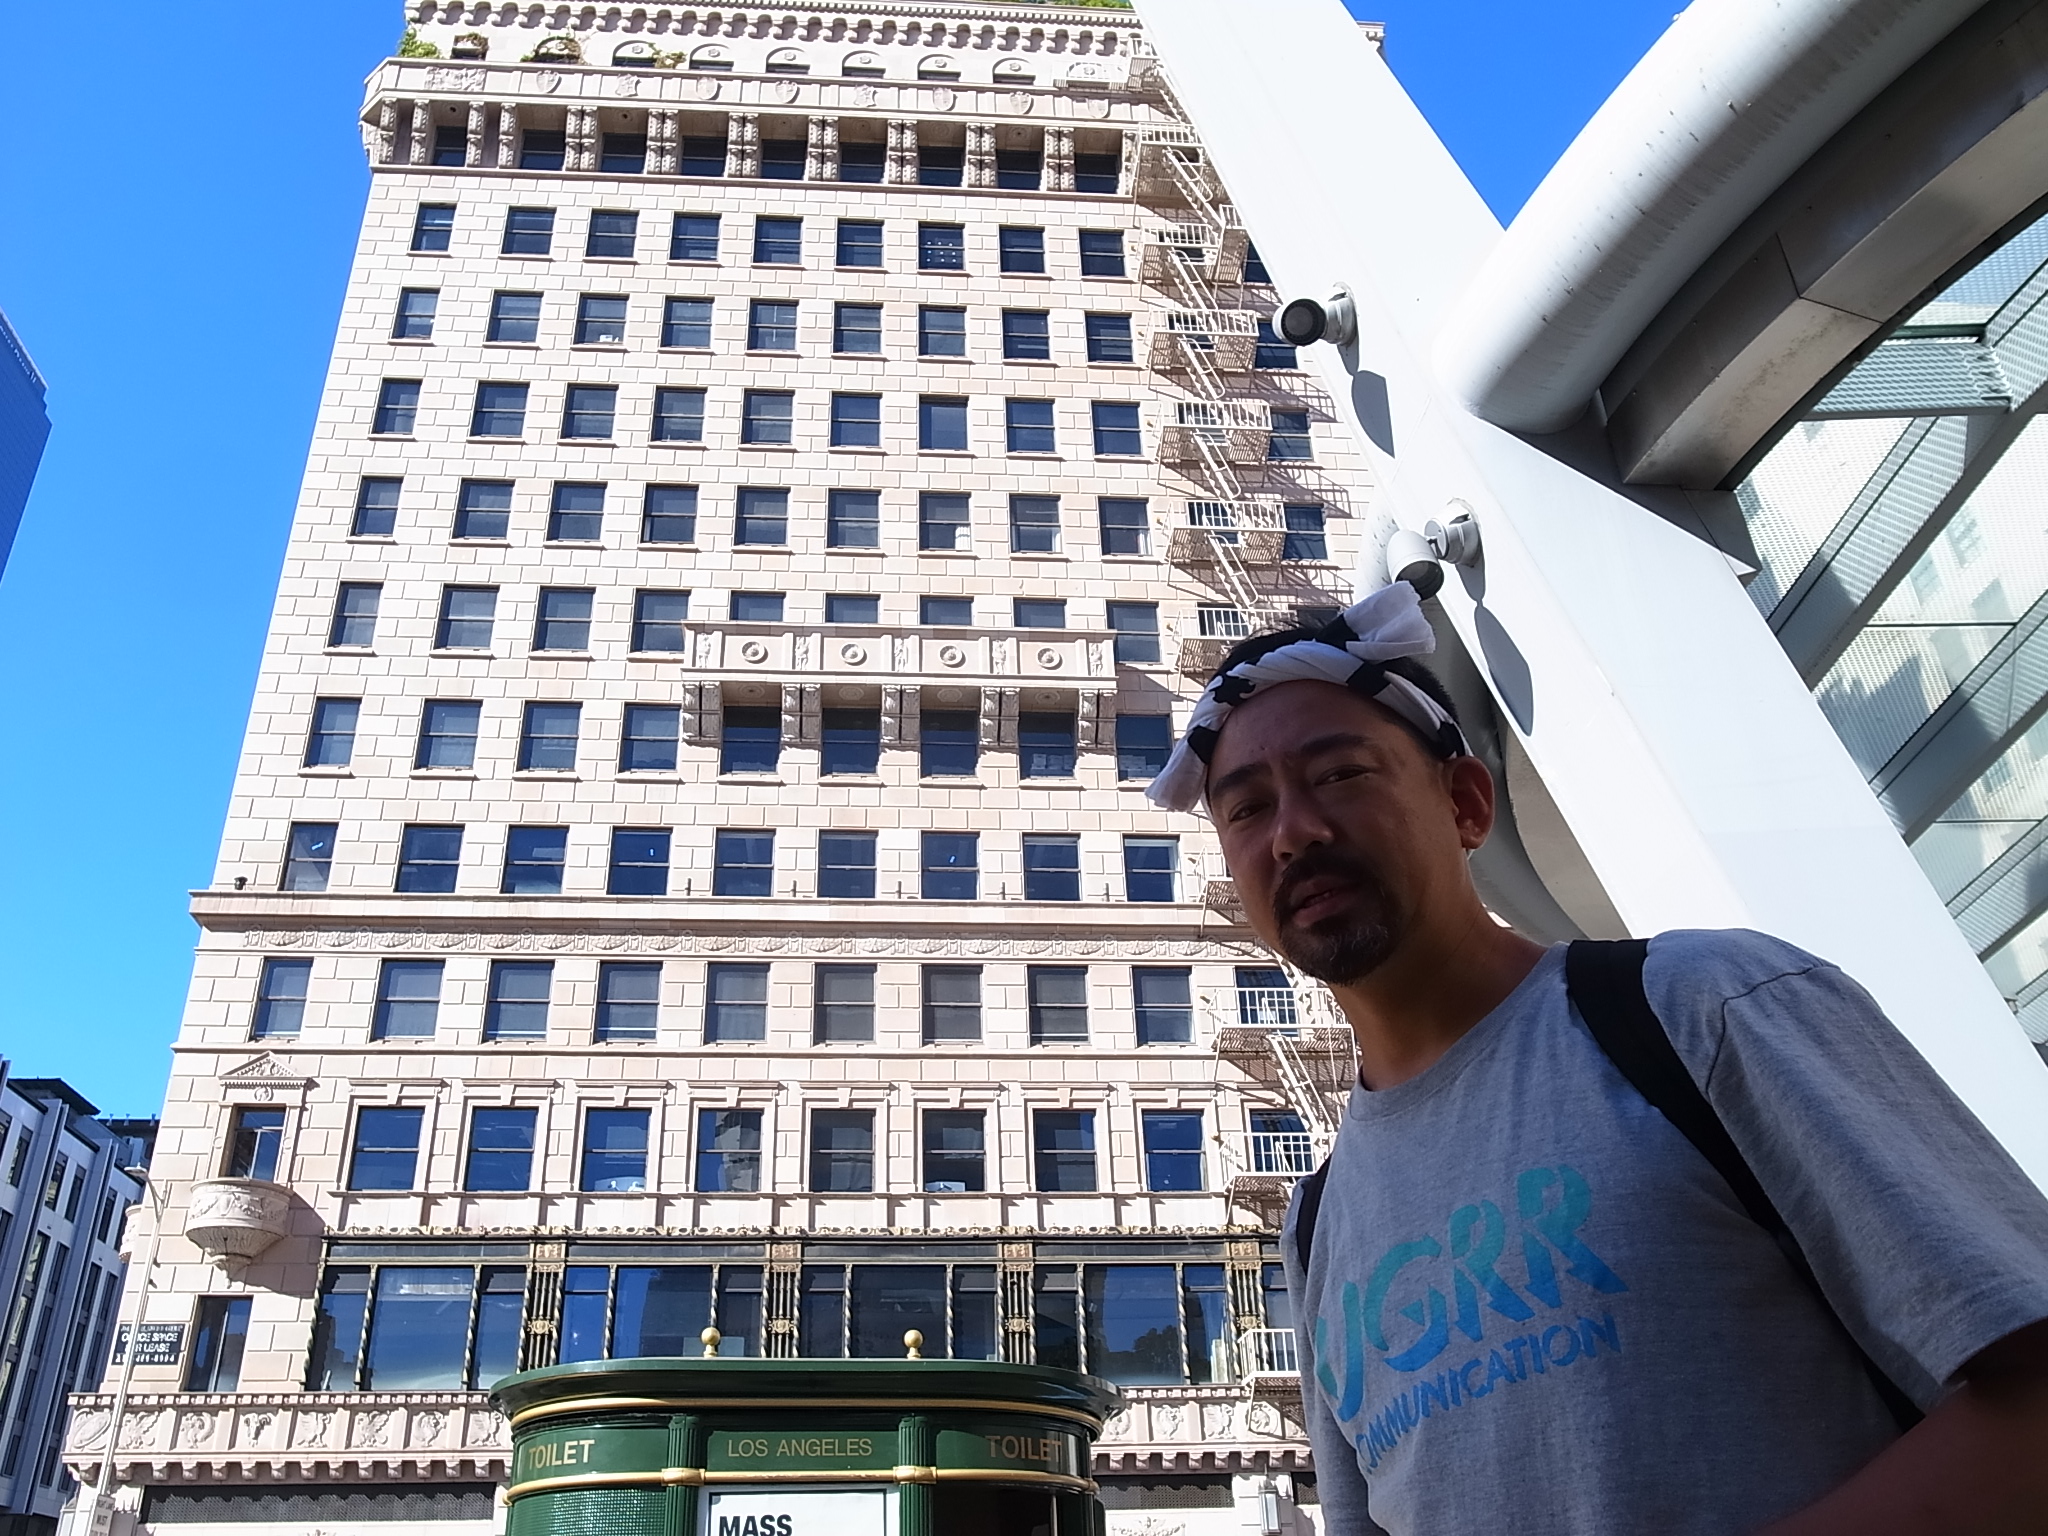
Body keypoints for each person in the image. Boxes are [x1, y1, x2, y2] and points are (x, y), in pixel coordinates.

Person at [1146, 581, 2048, 1536]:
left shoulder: (1706, 1005)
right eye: (1247, 810)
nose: (1295, 832)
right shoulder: (1315, 1223)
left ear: (1465, 802)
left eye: (1340, 775)